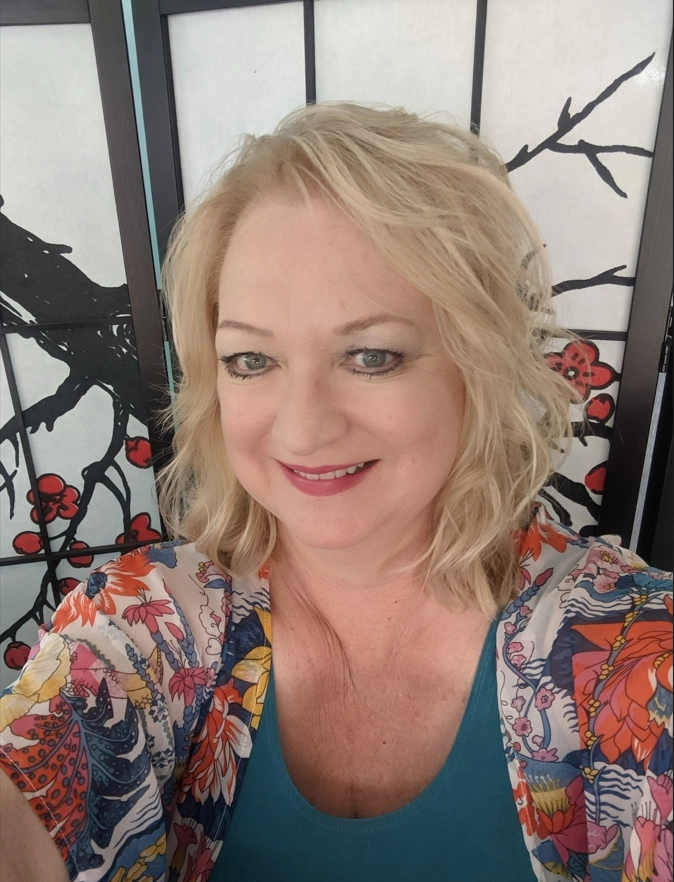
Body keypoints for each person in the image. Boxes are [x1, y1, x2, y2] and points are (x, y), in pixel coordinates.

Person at [0, 103, 671, 882]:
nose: (303, 428)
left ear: (477, 365)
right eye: (252, 360)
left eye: (371, 355)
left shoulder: (625, 647)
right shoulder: (141, 626)